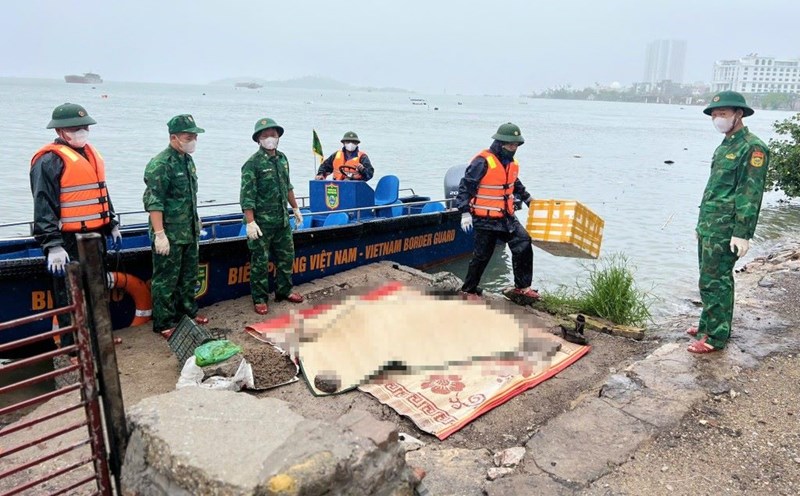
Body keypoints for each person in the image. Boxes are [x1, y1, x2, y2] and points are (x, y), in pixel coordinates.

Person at [30, 103, 121, 346]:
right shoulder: (48, 161)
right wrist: (52, 245)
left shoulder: (91, 154)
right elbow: (43, 205)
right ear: (60, 131)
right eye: (74, 128)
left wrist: (111, 223)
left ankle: (99, 338)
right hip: (67, 240)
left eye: (84, 127)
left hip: (95, 236)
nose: (81, 131)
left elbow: (100, 192)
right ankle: (73, 346)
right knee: (69, 294)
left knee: (97, 288)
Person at [688, 91, 769, 354]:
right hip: (710, 224)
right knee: (708, 277)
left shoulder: (753, 148)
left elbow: (750, 193)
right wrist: (701, 225)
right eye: (714, 114)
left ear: (739, 114)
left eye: (722, 113)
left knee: (716, 280)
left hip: (726, 227)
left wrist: (742, 232)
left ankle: (715, 336)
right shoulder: (726, 145)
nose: (717, 118)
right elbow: (715, 189)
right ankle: (708, 324)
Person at [455, 123, 540, 302]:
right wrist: (464, 212)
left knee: (523, 241)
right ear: (500, 143)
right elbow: (466, 186)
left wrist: (528, 199)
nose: (513, 148)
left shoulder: (511, 163)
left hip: (506, 216)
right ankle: (468, 290)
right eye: (510, 144)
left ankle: (522, 288)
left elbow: (514, 183)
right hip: (485, 218)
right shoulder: (482, 161)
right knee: (482, 255)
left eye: (516, 145)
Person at [142, 114, 209, 338]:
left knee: (189, 276)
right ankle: (164, 322)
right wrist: (159, 234)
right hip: (169, 233)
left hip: (188, 230)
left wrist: (195, 221)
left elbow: (188, 197)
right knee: (166, 280)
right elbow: (154, 202)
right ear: (174, 137)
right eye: (188, 137)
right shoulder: (161, 164)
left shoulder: (187, 160)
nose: (193, 141)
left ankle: (187, 313)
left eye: (195, 137)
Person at [240, 117, 304, 315]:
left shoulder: (282, 159)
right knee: (260, 262)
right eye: (265, 135)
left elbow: (288, 186)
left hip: (282, 220)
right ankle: (260, 299)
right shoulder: (252, 164)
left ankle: (284, 291)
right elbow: (247, 196)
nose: (270, 138)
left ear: (278, 137)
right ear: (258, 139)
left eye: (273, 135)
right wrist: (250, 222)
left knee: (286, 257)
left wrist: (295, 208)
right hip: (261, 224)